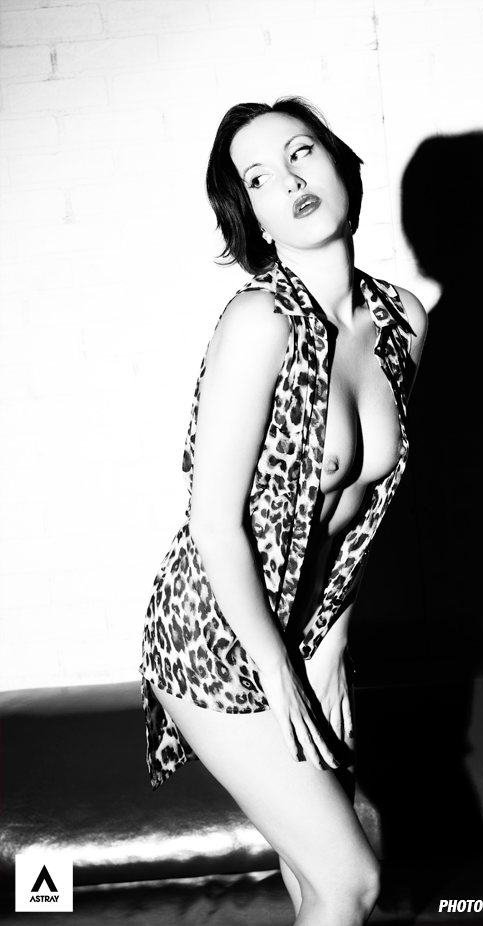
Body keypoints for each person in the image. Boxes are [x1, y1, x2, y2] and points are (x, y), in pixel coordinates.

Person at [140, 96, 427, 926]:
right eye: (259, 178)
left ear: (339, 165)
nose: (290, 180)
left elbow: (369, 511)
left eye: (301, 153)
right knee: (351, 884)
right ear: (252, 216)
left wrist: (330, 639)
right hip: (216, 635)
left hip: (307, 631)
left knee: (313, 886)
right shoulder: (259, 319)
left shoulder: (402, 320)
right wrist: (278, 672)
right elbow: (212, 522)